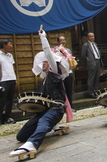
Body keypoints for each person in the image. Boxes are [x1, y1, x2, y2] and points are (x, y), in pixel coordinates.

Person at [9, 29, 72, 159]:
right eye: (42, 61)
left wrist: (43, 37)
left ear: (52, 63)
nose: (43, 62)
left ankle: (32, 144)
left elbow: (48, 54)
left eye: (46, 61)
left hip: (56, 109)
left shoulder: (55, 74)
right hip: (45, 110)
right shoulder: (43, 81)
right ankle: (50, 126)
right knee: (21, 136)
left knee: (44, 121)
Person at [54, 35, 77, 112]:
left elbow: (72, 61)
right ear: (58, 42)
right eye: (61, 40)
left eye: (64, 40)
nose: (63, 42)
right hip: (60, 74)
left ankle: (70, 107)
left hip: (69, 72)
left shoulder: (68, 50)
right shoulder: (55, 50)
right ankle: (62, 107)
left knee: (69, 90)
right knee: (61, 91)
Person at [0, 39, 17, 124]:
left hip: (11, 79)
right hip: (3, 80)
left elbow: (11, 67)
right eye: (10, 44)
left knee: (10, 100)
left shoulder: (10, 55)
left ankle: (7, 117)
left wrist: (15, 79)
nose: (11, 46)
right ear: (4, 45)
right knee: (1, 100)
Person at [81, 32, 102, 98]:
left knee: (96, 77)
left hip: (97, 61)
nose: (92, 38)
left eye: (93, 36)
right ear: (87, 38)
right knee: (91, 78)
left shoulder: (95, 44)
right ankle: (91, 92)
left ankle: (95, 91)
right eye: (90, 36)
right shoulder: (85, 45)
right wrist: (87, 62)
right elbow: (83, 55)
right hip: (91, 63)